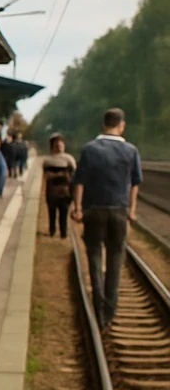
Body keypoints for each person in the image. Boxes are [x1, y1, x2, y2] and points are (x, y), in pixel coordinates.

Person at [71, 108, 143, 328]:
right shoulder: (131, 150)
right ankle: (110, 310)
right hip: (119, 211)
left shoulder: (90, 149)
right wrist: (131, 210)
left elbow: (79, 181)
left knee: (94, 256)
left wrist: (78, 208)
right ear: (121, 125)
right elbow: (135, 184)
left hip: (94, 210)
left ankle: (98, 307)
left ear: (104, 124)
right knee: (115, 259)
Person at [42, 133, 76, 239]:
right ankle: (52, 230)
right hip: (53, 191)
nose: (59, 148)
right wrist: (63, 175)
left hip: (65, 192)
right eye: (57, 146)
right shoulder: (48, 161)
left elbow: (73, 174)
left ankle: (63, 233)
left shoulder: (69, 159)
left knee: (63, 214)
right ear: (53, 147)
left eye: (61, 145)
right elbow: (48, 176)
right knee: (52, 213)